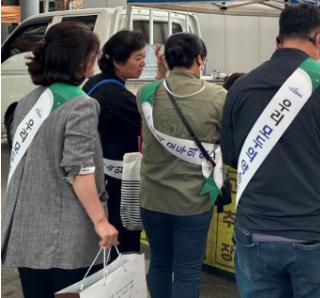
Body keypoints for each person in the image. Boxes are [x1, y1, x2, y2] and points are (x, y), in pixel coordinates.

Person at [220, 3, 320, 298]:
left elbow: (230, 155)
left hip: (255, 231)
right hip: (315, 233)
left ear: (278, 40)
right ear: (319, 39)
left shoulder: (241, 86)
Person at [1, 22, 118, 298]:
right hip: (67, 238)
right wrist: (100, 221)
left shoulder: (28, 102)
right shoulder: (80, 104)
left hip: (28, 231)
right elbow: (80, 171)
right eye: (93, 54)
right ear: (81, 60)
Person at [137, 32, 227, 298]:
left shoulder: (145, 93)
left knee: (159, 264)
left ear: (166, 59)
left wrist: (161, 71)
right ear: (200, 59)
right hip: (193, 200)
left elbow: (157, 90)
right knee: (187, 271)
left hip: (152, 199)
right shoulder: (217, 96)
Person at [83, 30, 146, 256]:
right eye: (138, 58)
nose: (143, 63)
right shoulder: (117, 97)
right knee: (124, 241)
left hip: (100, 176)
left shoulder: (95, 83)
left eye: (144, 57)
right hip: (120, 183)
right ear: (118, 61)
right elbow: (147, 125)